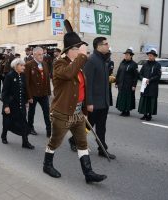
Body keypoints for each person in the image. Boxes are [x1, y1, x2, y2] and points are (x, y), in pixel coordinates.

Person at [43, 21, 107, 183]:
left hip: (78, 112)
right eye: (77, 49)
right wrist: (83, 56)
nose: (80, 51)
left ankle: (88, 173)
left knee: (82, 142)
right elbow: (67, 75)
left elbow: (82, 88)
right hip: (62, 113)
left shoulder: (77, 66)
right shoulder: (59, 64)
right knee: (55, 141)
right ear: (69, 51)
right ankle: (47, 164)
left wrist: (85, 107)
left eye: (80, 49)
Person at [70, 37, 116, 160]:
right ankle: (74, 140)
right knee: (87, 126)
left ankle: (102, 149)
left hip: (103, 102)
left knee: (101, 128)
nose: (108, 46)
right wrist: (88, 103)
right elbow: (87, 83)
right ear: (98, 46)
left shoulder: (104, 60)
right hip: (94, 103)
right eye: (105, 44)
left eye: (107, 44)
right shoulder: (91, 61)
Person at [0, 58, 34, 149]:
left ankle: (25, 142)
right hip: (11, 104)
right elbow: (4, 92)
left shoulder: (23, 76)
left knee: (23, 123)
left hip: (21, 104)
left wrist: (26, 101)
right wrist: (6, 106)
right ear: (16, 66)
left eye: (24, 65)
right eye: (21, 65)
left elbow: (24, 90)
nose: (24, 67)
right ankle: (3, 136)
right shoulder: (9, 76)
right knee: (7, 122)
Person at [25, 46, 51, 137]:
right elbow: (27, 83)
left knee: (47, 112)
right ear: (34, 54)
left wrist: (48, 93)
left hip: (43, 93)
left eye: (42, 54)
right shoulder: (29, 65)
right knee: (32, 112)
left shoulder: (44, 64)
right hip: (33, 94)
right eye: (39, 54)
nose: (41, 56)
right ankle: (30, 127)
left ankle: (49, 130)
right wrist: (29, 96)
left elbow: (47, 79)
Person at [138, 48, 161, 121]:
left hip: (152, 86)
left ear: (154, 56)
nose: (150, 57)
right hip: (145, 86)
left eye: (151, 55)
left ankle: (149, 115)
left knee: (151, 101)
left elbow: (158, 76)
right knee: (145, 100)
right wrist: (143, 79)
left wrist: (150, 80)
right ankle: (144, 114)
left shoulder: (157, 65)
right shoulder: (145, 64)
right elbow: (140, 74)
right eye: (149, 55)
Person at [115, 47, 138, 116]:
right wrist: (116, 82)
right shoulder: (122, 63)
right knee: (122, 98)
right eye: (125, 54)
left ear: (131, 56)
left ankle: (127, 111)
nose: (126, 56)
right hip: (121, 84)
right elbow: (118, 73)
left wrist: (134, 85)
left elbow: (135, 76)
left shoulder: (134, 64)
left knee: (128, 98)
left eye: (128, 55)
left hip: (129, 85)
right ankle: (122, 110)